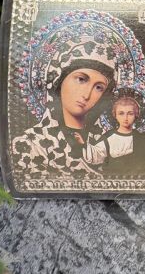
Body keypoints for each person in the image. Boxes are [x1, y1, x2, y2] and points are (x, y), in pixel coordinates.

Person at [11, 46, 116, 180]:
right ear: (60, 80)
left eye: (99, 87)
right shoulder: (30, 144)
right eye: (81, 79)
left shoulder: (104, 145)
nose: (87, 95)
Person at [89, 93, 145, 176]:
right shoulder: (108, 136)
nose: (125, 118)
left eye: (130, 113)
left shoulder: (141, 138)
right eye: (121, 113)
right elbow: (93, 156)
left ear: (136, 115)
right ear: (115, 115)